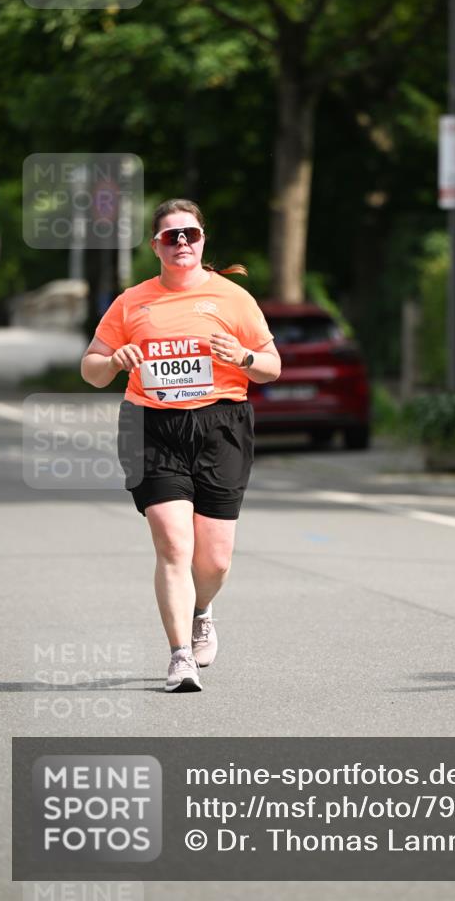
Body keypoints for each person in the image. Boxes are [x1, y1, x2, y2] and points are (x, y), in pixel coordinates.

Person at [81, 198, 281, 692]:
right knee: (173, 542)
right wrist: (114, 362)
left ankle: (201, 609)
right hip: (151, 426)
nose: (182, 242)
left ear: (203, 240)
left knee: (214, 560)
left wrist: (244, 356)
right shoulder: (132, 301)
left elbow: (271, 366)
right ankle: (179, 658)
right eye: (172, 236)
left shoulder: (233, 299)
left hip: (221, 426)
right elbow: (91, 369)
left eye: (190, 234)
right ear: (156, 246)